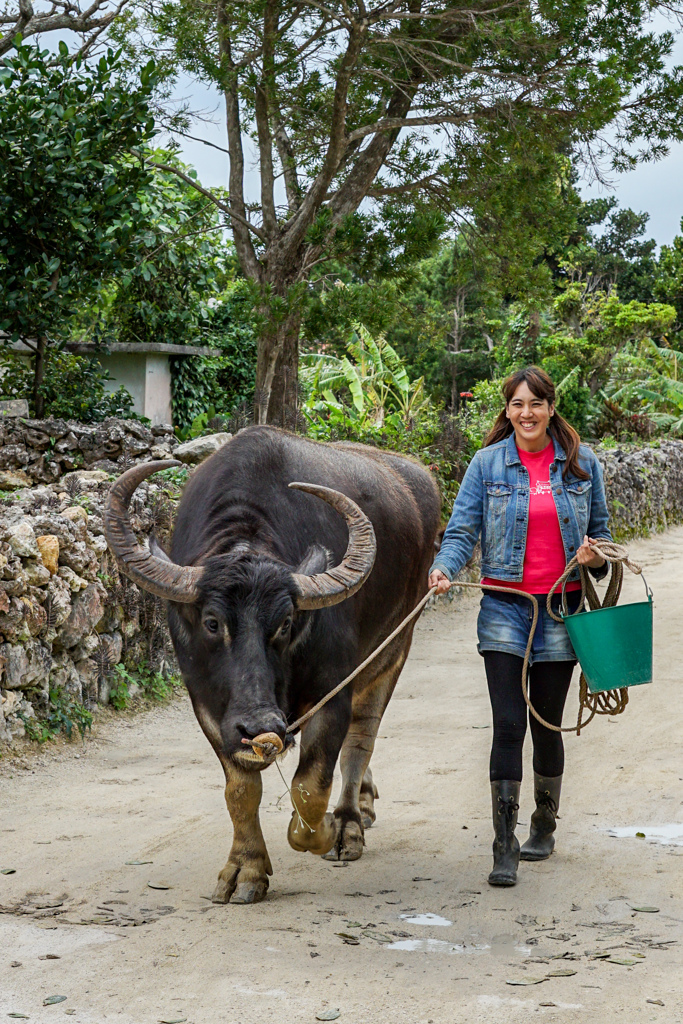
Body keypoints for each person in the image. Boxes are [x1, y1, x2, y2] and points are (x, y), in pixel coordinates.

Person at [429, 366, 612, 887]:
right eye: (516, 404)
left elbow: (602, 538)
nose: (526, 413)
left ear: (551, 408)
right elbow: (462, 531)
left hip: (561, 608)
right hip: (505, 607)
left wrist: (594, 555)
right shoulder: (487, 464)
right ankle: (503, 844)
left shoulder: (582, 465)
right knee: (508, 724)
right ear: (506, 411)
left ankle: (544, 823)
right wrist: (444, 567)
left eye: (535, 403)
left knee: (545, 724)